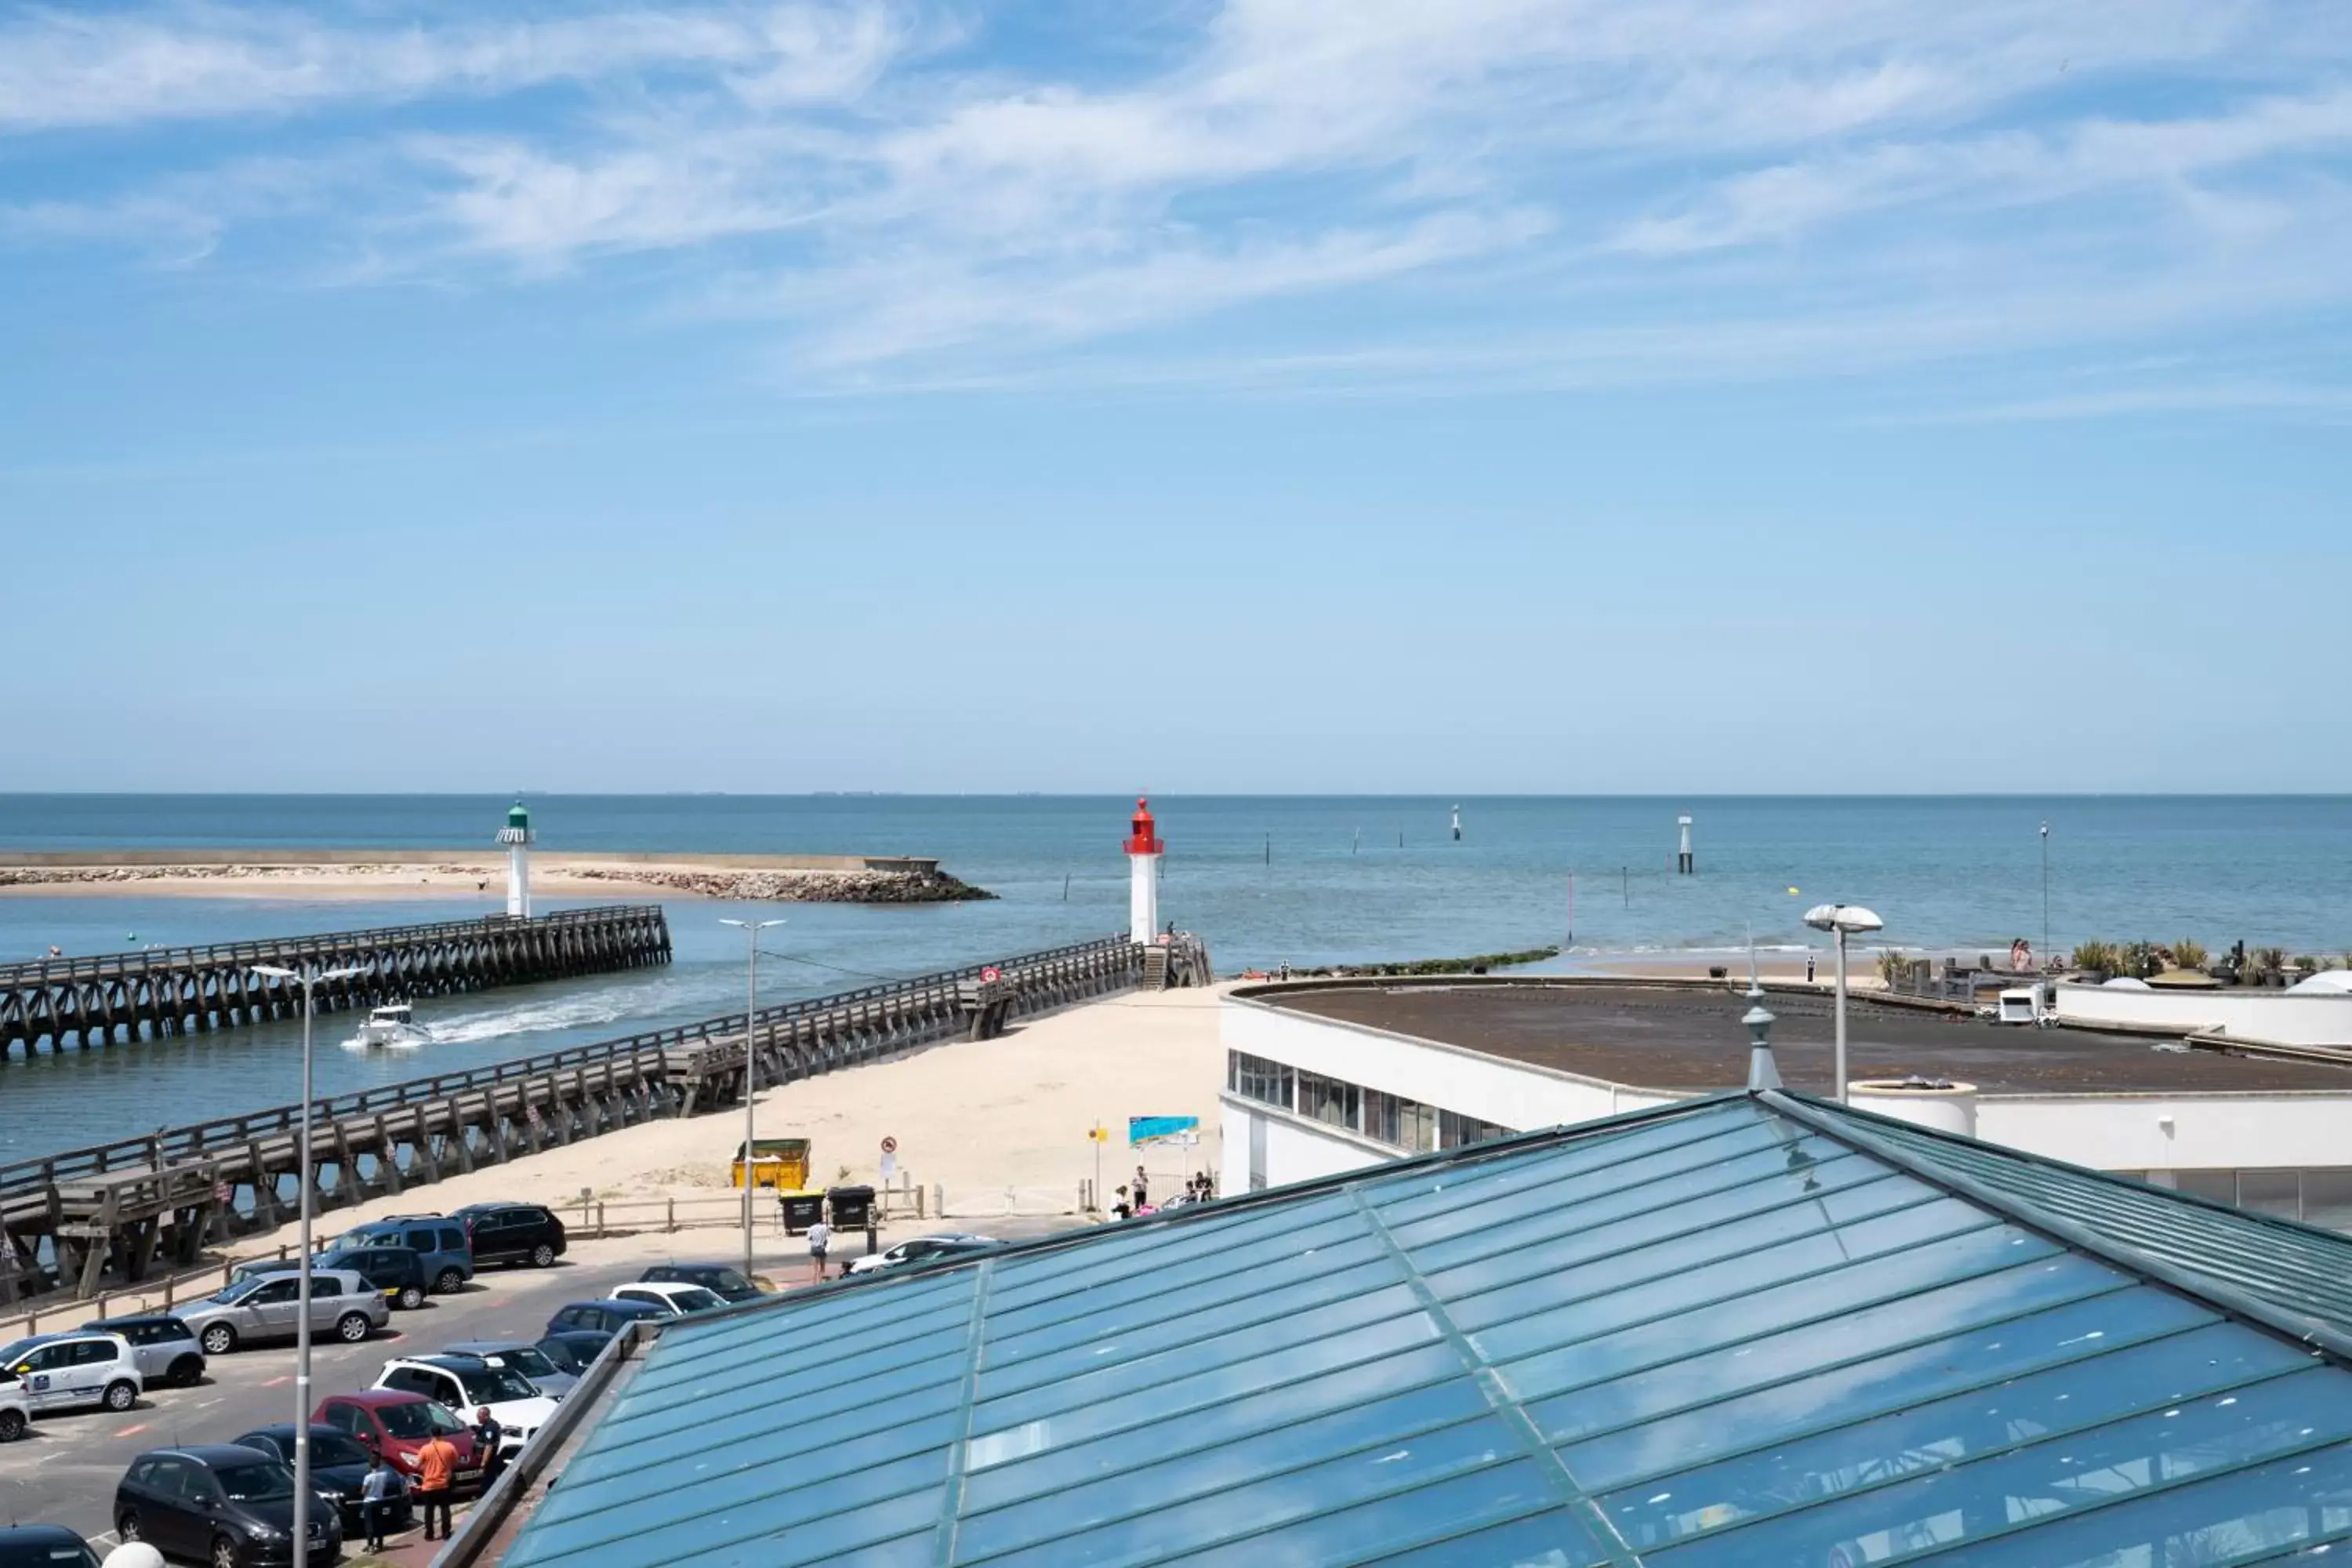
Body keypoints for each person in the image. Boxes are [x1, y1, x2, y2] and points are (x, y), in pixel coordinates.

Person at [416, 1425, 459, 1541]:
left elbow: (417, 1465)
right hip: (444, 1483)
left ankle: (429, 1534)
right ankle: (445, 1532)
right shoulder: (449, 1447)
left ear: (431, 1434)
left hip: (429, 1484)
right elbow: (455, 1461)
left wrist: (427, 1467)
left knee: (429, 1510)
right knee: (445, 1508)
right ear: (441, 1433)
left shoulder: (425, 1449)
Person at [361, 1452, 405, 1552]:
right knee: (379, 1523)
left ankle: (370, 1545)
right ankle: (380, 1544)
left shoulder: (368, 1477)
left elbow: (363, 1491)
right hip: (380, 1501)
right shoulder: (384, 1475)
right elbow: (383, 1487)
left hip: (369, 1501)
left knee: (369, 1524)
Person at [472, 1406, 506, 1490]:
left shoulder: (490, 1428)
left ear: (486, 1416)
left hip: (489, 1462)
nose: (478, 1418)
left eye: (479, 1416)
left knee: (488, 1484)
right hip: (489, 1460)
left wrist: (483, 1464)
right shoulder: (487, 1425)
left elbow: (489, 1446)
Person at [807, 1216, 832, 1280]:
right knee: (822, 1268)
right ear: (821, 1221)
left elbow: (809, 1238)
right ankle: (821, 1283)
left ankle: (814, 1284)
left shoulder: (811, 1228)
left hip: (814, 1248)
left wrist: (815, 1240)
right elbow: (829, 1234)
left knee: (815, 1269)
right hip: (822, 1248)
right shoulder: (824, 1227)